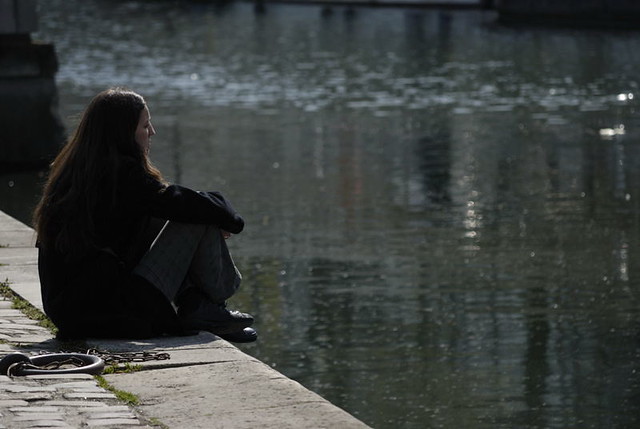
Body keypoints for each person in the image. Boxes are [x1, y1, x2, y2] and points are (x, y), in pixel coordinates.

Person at [33, 87, 256, 343]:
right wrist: (226, 216)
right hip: (105, 311)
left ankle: (201, 308)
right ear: (123, 134)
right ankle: (209, 307)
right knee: (194, 216)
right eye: (145, 125)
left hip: (76, 309)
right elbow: (184, 203)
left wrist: (212, 212)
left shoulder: (80, 173)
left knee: (185, 211)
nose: (152, 132)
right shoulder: (120, 176)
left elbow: (172, 201)